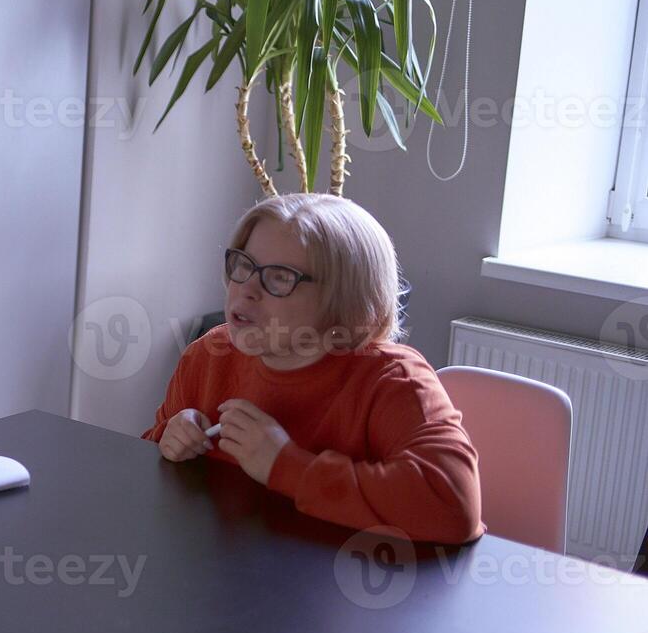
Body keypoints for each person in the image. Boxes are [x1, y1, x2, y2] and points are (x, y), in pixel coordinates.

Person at [143, 193, 483, 545]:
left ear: (345, 300)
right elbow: (144, 472)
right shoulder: (208, 355)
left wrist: (286, 466)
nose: (245, 289)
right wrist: (168, 440)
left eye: (279, 278)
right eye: (243, 264)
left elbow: (453, 506)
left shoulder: (394, 381)